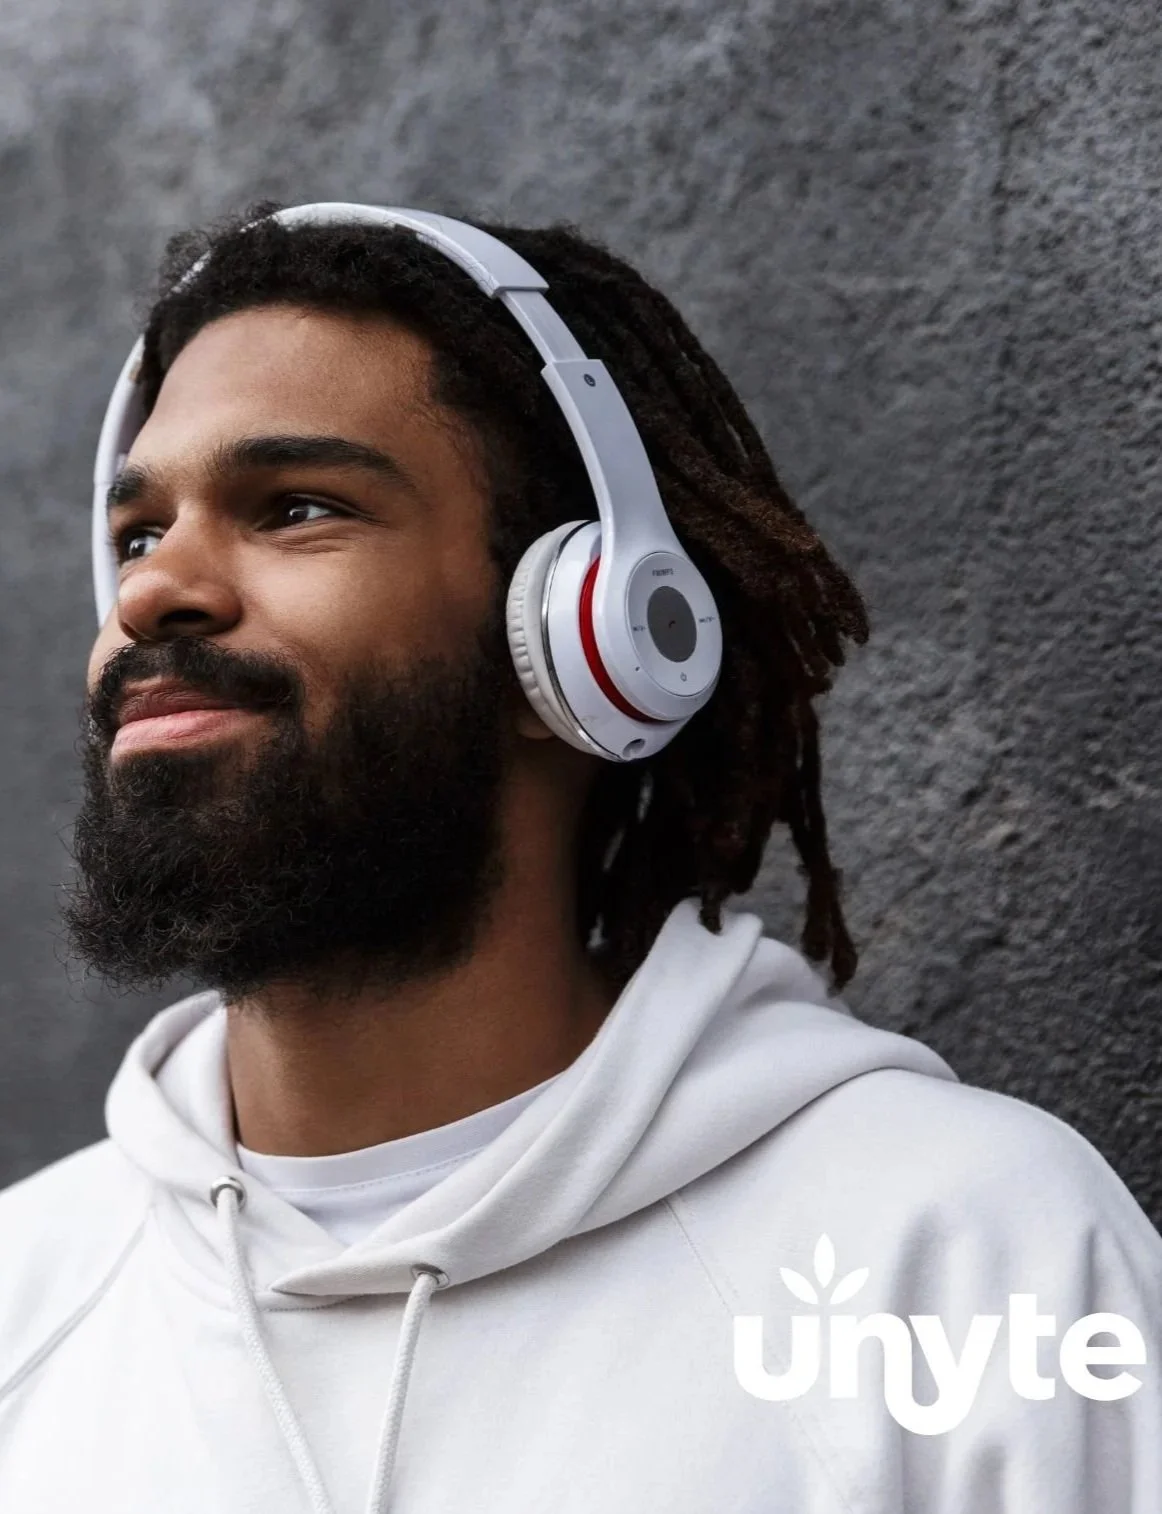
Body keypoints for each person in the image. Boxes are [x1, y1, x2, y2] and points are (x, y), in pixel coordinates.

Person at [0, 202, 1158, 1514]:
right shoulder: (27, 1300)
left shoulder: (967, 1256)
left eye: (296, 506)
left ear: (583, 629)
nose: (153, 590)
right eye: (137, 532)